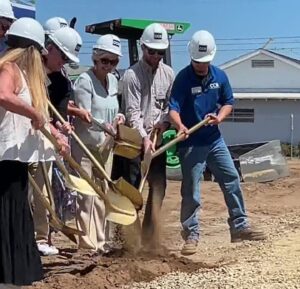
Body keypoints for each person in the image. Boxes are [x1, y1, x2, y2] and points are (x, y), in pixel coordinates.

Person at [169, 30, 266, 256]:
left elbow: (228, 102)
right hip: (191, 143)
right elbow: (173, 108)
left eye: (205, 62)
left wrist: (220, 117)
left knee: (231, 178)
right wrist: (180, 125)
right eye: (197, 62)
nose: (201, 66)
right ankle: (191, 233)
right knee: (191, 189)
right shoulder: (183, 79)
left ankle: (240, 226)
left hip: (214, 140)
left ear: (211, 58)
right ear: (191, 58)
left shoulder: (220, 77)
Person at [0, 17, 55, 289]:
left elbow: (36, 116)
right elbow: (2, 95)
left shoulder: (23, 75)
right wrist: (33, 113)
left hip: (15, 161)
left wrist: (56, 133)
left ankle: (12, 288)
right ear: (31, 50)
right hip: (4, 161)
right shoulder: (9, 68)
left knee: (16, 223)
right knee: (9, 222)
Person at [119, 23, 175, 248]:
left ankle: (150, 236)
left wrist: (165, 123)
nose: (156, 56)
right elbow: (132, 112)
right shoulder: (131, 75)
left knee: (158, 186)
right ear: (143, 48)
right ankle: (131, 240)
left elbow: (170, 106)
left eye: (160, 51)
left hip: (158, 141)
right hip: (135, 142)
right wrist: (143, 138)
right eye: (151, 51)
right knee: (134, 189)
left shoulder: (169, 74)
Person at [29, 24, 82, 256]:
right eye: (62, 56)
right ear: (49, 48)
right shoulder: (29, 70)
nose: (64, 62)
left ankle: (41, 236)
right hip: (19, 139)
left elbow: (57, 112)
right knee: (23, 193)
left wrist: (61, 127)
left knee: (43, 189)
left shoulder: (61, 81)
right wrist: (54, 128)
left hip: (44, 141)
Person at [72, 34, 124, 253]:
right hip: (85, 146)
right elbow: (86, 116)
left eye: (113, 61)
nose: (109, 66)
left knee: (103, 193)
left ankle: (102, 240)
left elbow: (114, 107)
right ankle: (88, 242)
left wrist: (119, 117)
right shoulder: (84, 81)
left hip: (106, 147)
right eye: (105, 61)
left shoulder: (113, 81)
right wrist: (105, 125)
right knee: (86, 194)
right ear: (95, 59)